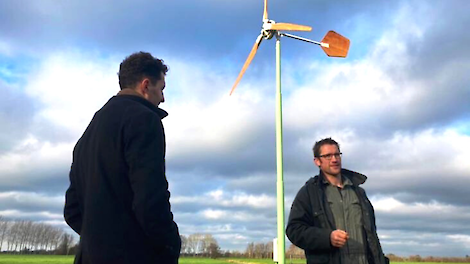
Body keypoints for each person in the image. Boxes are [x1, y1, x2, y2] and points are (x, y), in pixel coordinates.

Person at [64, 51, 181, 264]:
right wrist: (171, 244)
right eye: (161, 89)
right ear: (146, 85)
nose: (163, 98)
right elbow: (150, 199)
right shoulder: (144, 120)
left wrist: (101, 240)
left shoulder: (89, 132)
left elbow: (72, 210)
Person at [286, 138, 389, 264]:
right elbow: (294, 230)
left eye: (337, 154)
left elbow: (372, 235)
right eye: (328, 156)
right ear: (317, 161)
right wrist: (327, 238)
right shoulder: (309, 192)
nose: (334, 159)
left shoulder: (359, 192)